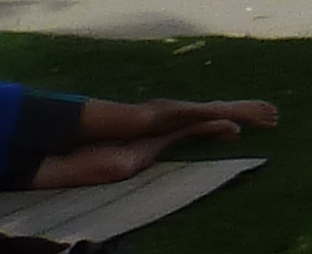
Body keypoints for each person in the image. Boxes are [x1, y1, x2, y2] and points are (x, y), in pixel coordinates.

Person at [0, 81, 280, 193]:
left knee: (138, 121)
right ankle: (189, 129)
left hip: (10, 112)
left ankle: (215, 108)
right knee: (117, 166)